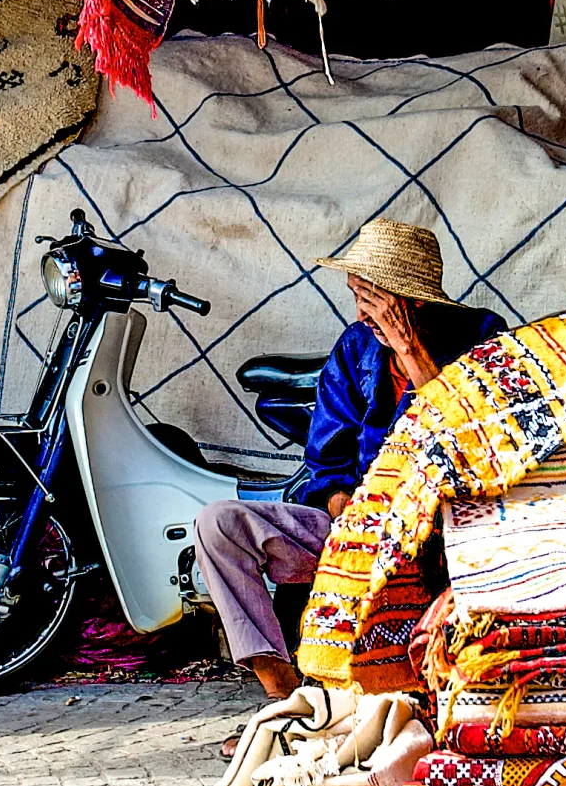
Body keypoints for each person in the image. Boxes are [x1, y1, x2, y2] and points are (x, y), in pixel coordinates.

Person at [193, 219, 503, 748]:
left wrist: (410, 351)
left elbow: (468, 437)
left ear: (414, 301)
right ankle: (288, 698)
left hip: (443, 534)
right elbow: (328, 463)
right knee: (218, 525)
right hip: (357, 532)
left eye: (374, 301)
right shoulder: (355, 347)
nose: (361, 313)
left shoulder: (481, 336)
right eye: (357, 297)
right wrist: (351, 512)